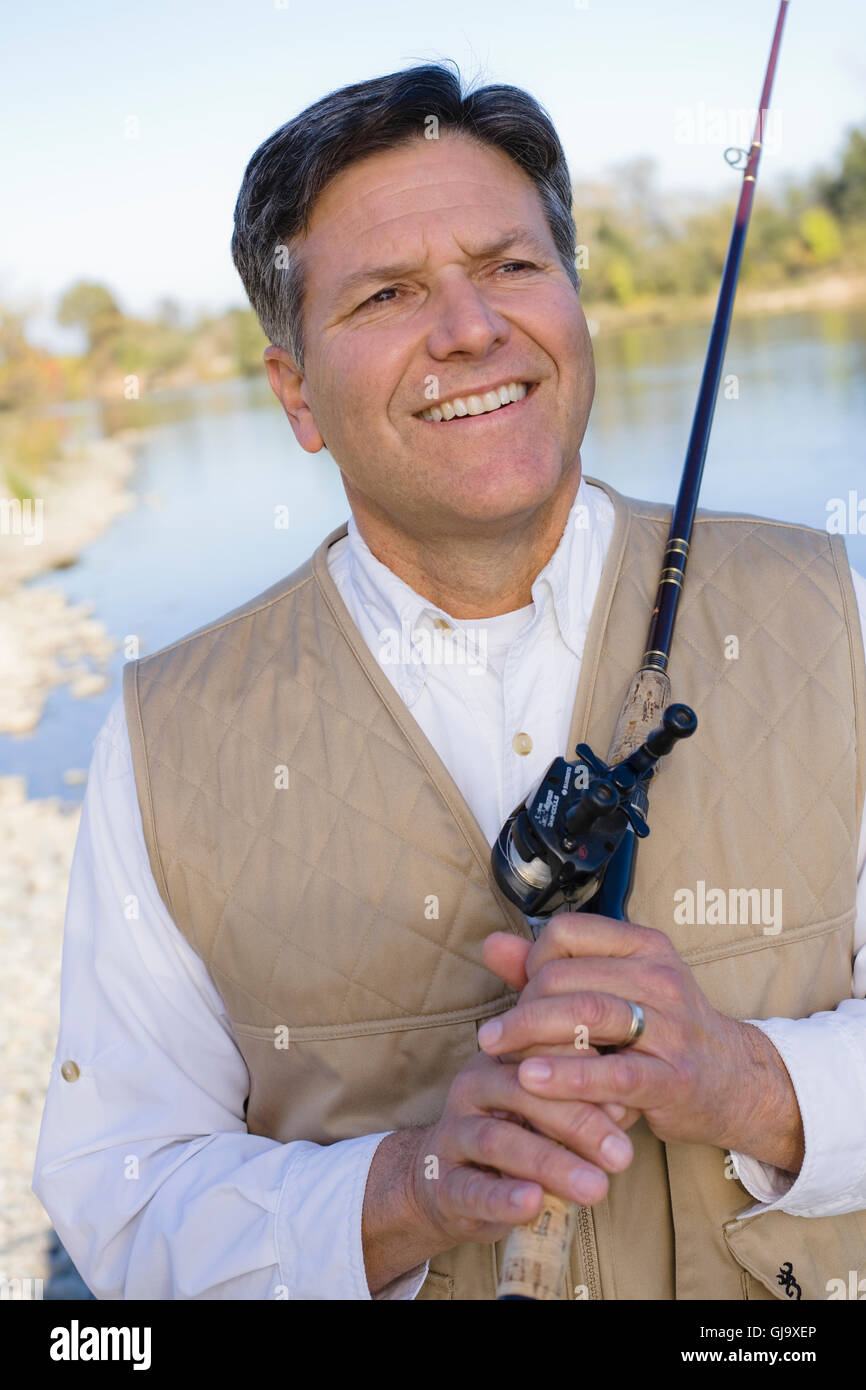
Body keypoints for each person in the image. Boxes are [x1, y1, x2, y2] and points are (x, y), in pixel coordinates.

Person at [34, 62, 866, 1301]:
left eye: (512, 267)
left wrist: (748, 1081)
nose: (471, 327)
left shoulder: (833, 606)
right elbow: (121, 1196)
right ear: (295, 393)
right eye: (387, 293)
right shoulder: (164, 734)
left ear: (573, 301)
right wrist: (403, 1189)